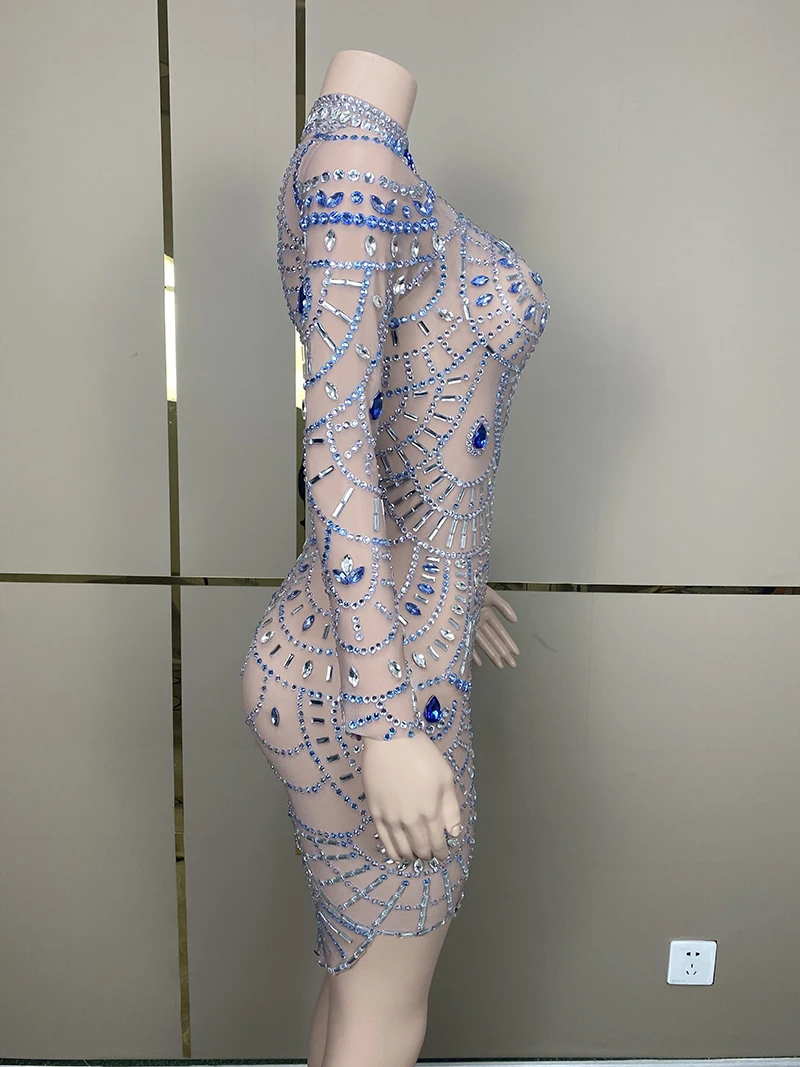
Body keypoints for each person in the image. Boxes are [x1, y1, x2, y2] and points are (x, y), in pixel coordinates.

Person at [241, 47, 550, 1067]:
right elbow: (336, 444)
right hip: (379, 675)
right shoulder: (352, 161)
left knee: (361, 987)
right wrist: (386, 727)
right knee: (385, 1012)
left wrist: (458, 575)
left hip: (397, 633)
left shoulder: (358, 164)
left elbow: (404, 428)